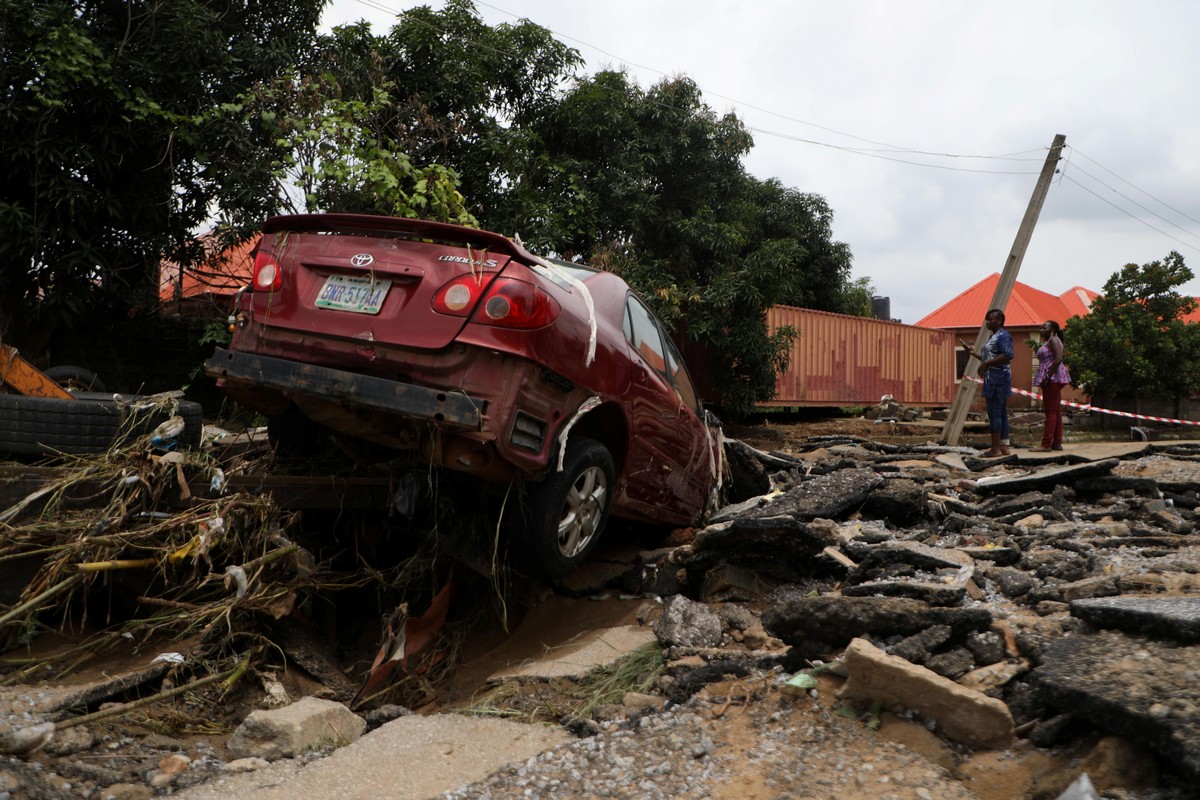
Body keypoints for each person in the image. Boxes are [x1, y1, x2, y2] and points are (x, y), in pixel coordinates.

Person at [961, 308, 1013, 457]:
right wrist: (973, 354)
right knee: (1001, 412)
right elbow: (990, 358)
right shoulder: (993, 336)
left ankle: (995, 449)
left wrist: (986, 364)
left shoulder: (1003, 336)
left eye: (990, 319)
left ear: (1000, 320)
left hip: (998, 379)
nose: (987, 322)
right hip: (994, 377)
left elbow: (1008, 355)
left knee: (995, 412)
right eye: (986, 320)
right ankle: (1004, 447)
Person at [1033, 320, 1071, 451]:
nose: (1041, 329)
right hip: (1051, 377)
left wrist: (1047, 376)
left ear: (1053, 330)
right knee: (1055, 411)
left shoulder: (1054, 340)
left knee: (1050, 411)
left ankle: (1046, 444)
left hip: (1052, 378)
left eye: (1044, 327)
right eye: (1041, 327)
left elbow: (1059, 358)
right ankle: (1056, 443)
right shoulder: (1051, 341)